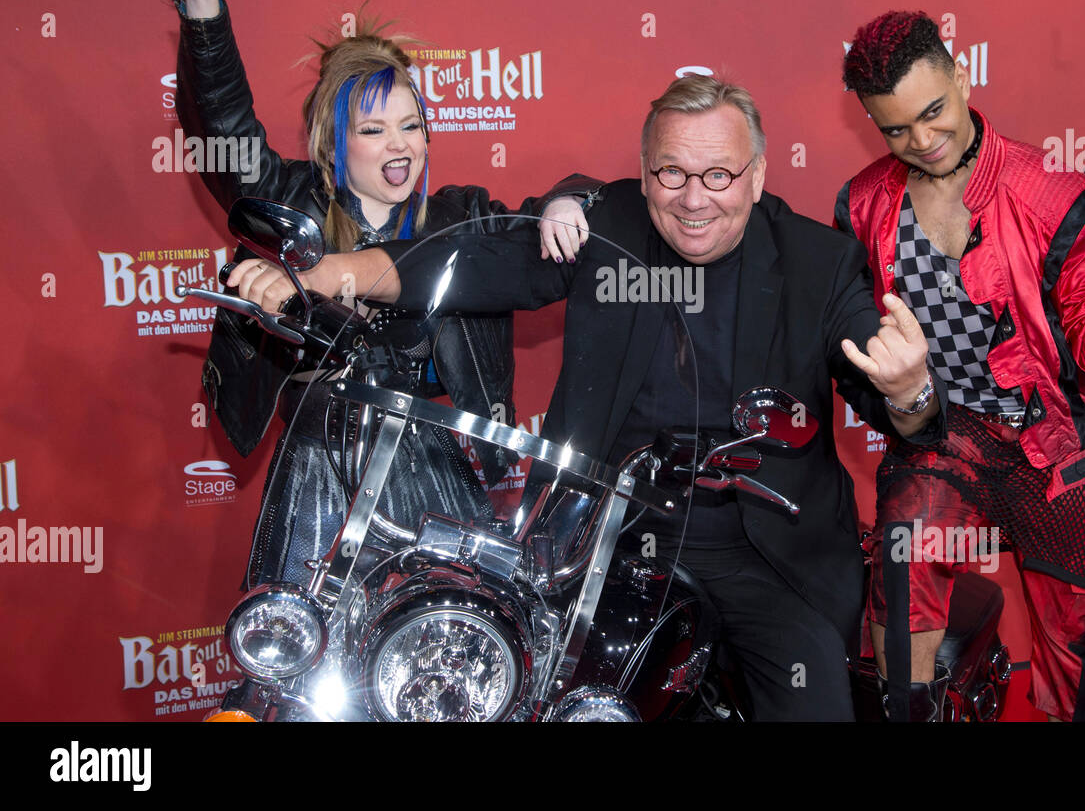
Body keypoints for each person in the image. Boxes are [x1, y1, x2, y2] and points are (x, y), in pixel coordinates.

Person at [227, 74, 940, 721]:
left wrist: (910, 390)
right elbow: (466, 260)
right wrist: (326, 274)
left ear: (757, 177)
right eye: (671, 173)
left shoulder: (818, 261)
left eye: (719, 175)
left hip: (764, 554)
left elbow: (895, 400)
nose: (694, 199)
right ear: (644, 171)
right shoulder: (607, 227)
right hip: (601, 544)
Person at [152, 0, 591, 590]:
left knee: (465, 638)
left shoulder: (458, 216)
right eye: (374, 128)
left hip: (432, 467)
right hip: (320, 463)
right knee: (300, 658)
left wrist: (570, 198)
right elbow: (224, 129)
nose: (400, 145)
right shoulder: (289, 202)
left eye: (411, 125)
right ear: (336, 142)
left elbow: (544, 233)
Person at [836, 10, 1085, 721]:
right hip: (947, 437)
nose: (922, 141)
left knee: (1073, 644)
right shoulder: (865, 202)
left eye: (934, 112)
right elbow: (852, 338)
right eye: (895, 129)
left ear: (962, 78)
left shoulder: (1050, 191)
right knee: (900, 562)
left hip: (1059, 446)